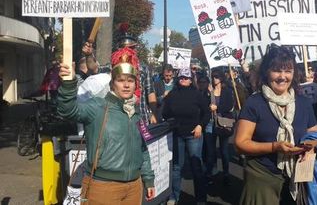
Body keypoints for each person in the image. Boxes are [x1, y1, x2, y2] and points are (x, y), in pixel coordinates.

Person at [57, 48, 155, 204]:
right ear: (112, 83)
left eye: (130, 81)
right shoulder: (97, 106)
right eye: (121, 80)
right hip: (103, 187)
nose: (126, 85)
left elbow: (142, 149)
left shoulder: (135, 112)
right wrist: (68, 83)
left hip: (134, 187)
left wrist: (148, 179)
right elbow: (67, 110)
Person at [234, 45, 317, 204]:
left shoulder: (304, 103)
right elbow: (240, 144)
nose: (282, 76)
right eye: (277, 70)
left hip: (297, 177)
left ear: (294, 73)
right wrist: (275, 147)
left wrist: (309, 150)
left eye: (288, 71)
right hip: (262, 176)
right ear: (266, 72)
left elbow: (314, 136)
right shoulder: (255, 102)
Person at [162, 68, 210, 205]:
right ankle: (174, 196)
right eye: (182, 77)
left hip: (194, 134)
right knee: (177, 167)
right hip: (177, 134)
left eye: (186, 78)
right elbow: (165, 114)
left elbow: (206, 113)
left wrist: (201, 125)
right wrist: (166, 103)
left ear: (191, 80)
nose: (184, 79)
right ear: (178, 78)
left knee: (196, 165)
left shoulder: (197, 94)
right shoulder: (172, 94)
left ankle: (201, 198)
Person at [206, 68, 235, 185]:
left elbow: (229, 106)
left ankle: (226, 172)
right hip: (210, 122)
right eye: (213, 76)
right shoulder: (210, 90)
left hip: (223, 122)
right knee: (211, 150)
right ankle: (213, 173)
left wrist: (217, 108)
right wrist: (209, 94)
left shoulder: (227, 91)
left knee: (223, 150)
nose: (214, 79)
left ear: (221, 78)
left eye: (216, 77)